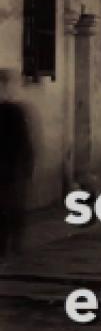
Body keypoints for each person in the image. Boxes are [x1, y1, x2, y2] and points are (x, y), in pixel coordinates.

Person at [0, 99, 35, 257]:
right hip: (13, 174)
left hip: (9, 173)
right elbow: (27, 150)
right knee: (14, 210)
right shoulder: (16, 117)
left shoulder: (12, 115)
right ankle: (14, 244)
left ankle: (7, 245)